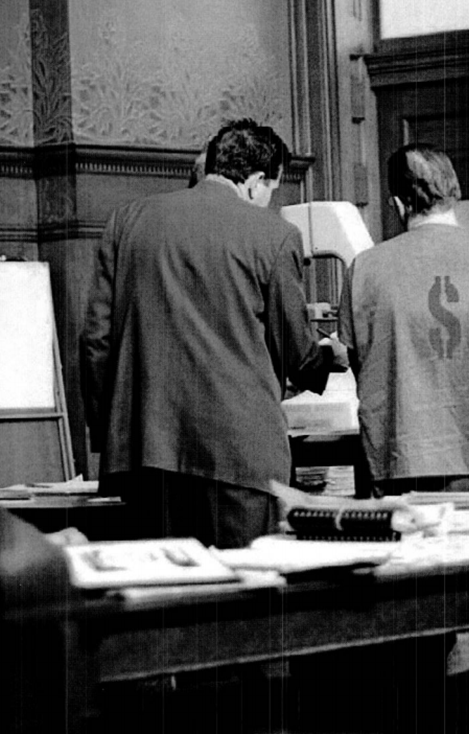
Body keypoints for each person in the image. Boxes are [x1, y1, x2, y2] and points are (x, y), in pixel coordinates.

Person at [81, 118, 346, 549]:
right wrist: (329, 356)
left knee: (162, 603)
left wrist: (111, 434)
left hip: (144, 454)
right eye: (271, 191)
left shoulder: (126, 220)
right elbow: (297, 353)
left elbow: (96, 341)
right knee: (247, 603)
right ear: (257, 180)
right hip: (240, 457)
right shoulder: (275, 235)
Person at [338, 143, 469, 496]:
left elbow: (361, 365)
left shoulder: (364, 269)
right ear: (455, 192)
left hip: (403, 463)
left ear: (397, 204)